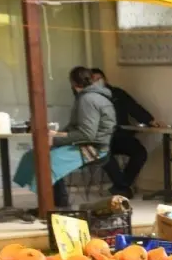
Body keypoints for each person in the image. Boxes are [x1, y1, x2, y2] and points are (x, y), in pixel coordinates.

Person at [13, 66, 116, 208]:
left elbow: (87, 134)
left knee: (47, 161)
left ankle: (54, 205)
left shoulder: (87, 99)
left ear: (73, 83)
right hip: (89, 143)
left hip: (94, 148)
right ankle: (58, 202)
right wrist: (57, 134)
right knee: (36, 155)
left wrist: (56, 139)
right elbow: (81, 129)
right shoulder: (93, 96)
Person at [88, 69, 156, 197]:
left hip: (121, 135)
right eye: (94, 80)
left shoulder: (118, 94)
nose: (98, 82)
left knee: (140, 152)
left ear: (105, 79)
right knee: (105, 156)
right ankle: (123, 187)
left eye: (99, 78)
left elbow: (134, 107)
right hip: (101, 139)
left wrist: (150, 120)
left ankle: (121, 186)